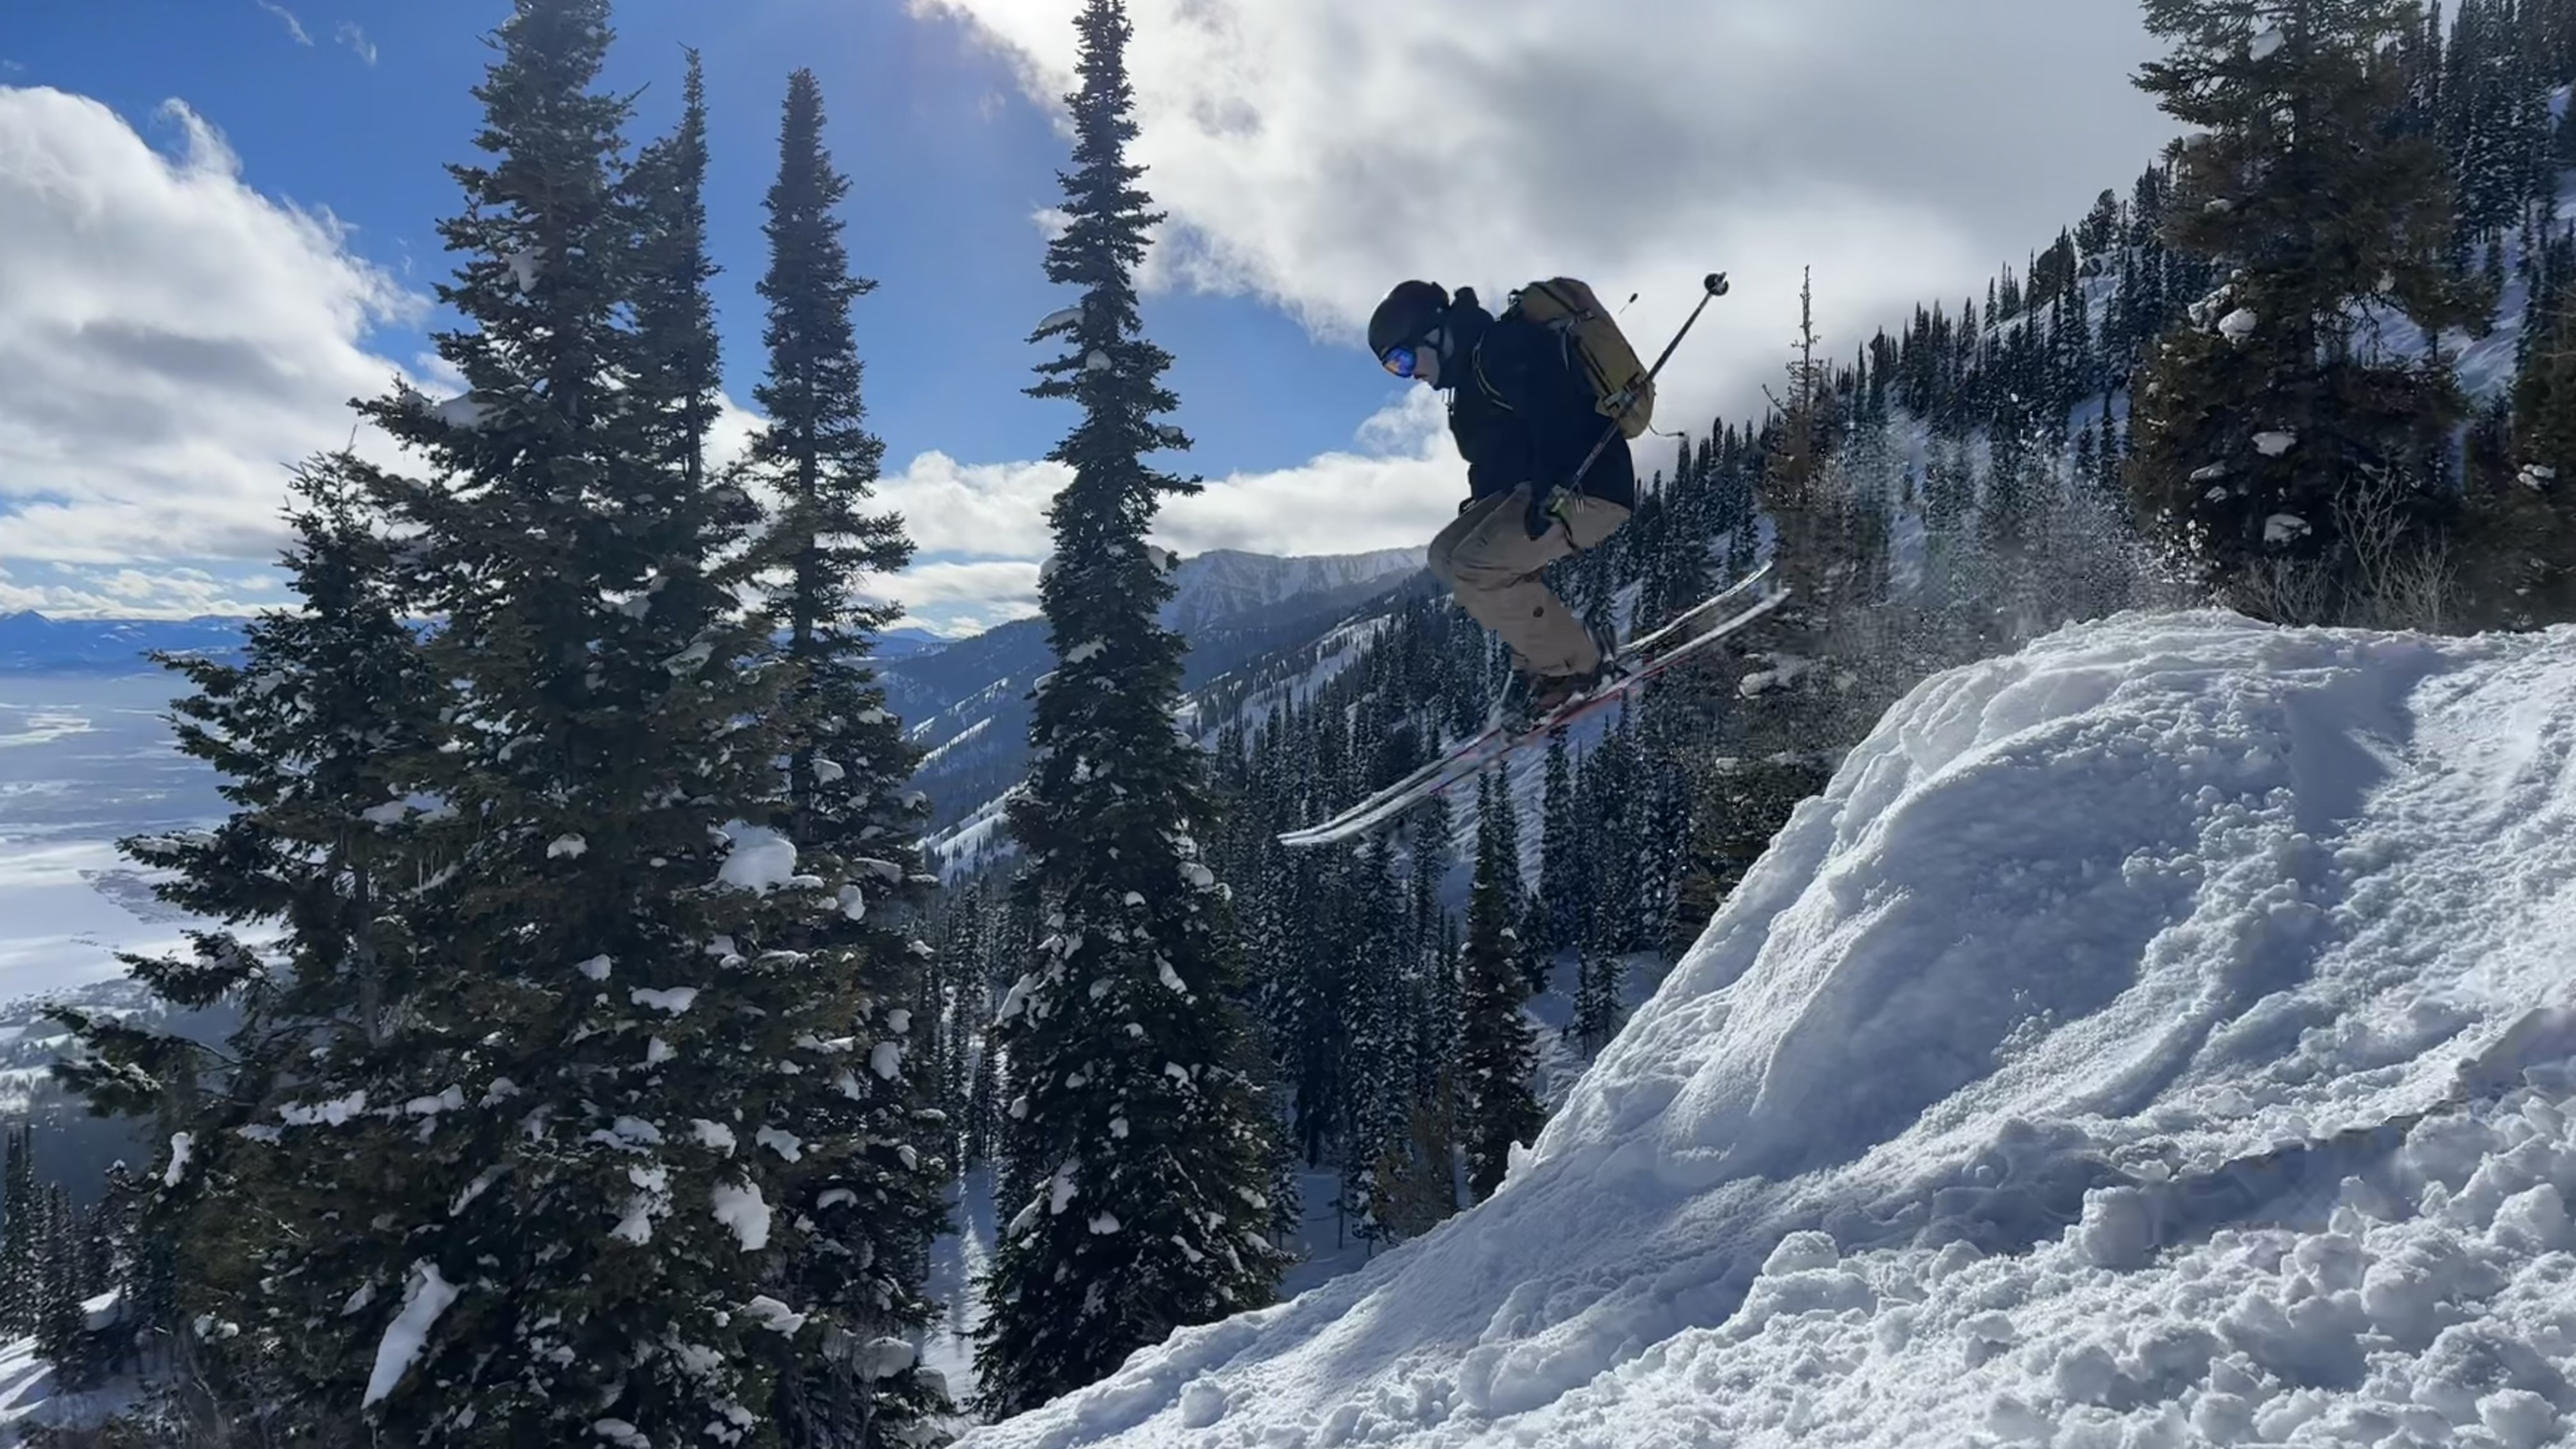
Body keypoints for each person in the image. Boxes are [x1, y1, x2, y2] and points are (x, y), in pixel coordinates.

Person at [1368, 279, 1636, 728]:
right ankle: (1545, 658)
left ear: (1434, 333)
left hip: (1589, 489)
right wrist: (1484, 506)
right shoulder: (1472, 375)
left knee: (1477, 568)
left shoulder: (1504, 348)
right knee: (1446, 557)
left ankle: (1580, 667)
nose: (1408, 373)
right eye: (1395, 368)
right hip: (1540, 492)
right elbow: (1501, 451)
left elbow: (1560, 414)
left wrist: (1554, 487)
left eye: (1403, 358)